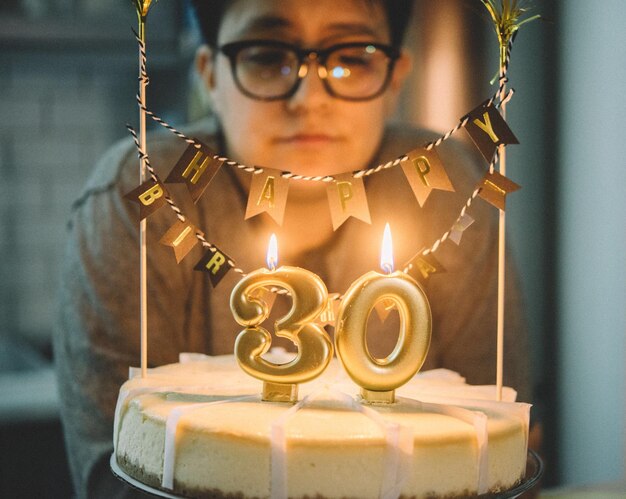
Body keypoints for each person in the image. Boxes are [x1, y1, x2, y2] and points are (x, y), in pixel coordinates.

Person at [54, 1, 531, 497]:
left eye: (352, 57)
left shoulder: (449, 189)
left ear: (395, 79)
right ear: (209, 74)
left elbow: (501, 448)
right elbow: (116, 474)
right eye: (266, 55)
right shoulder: (143, 196)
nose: (309, 98)